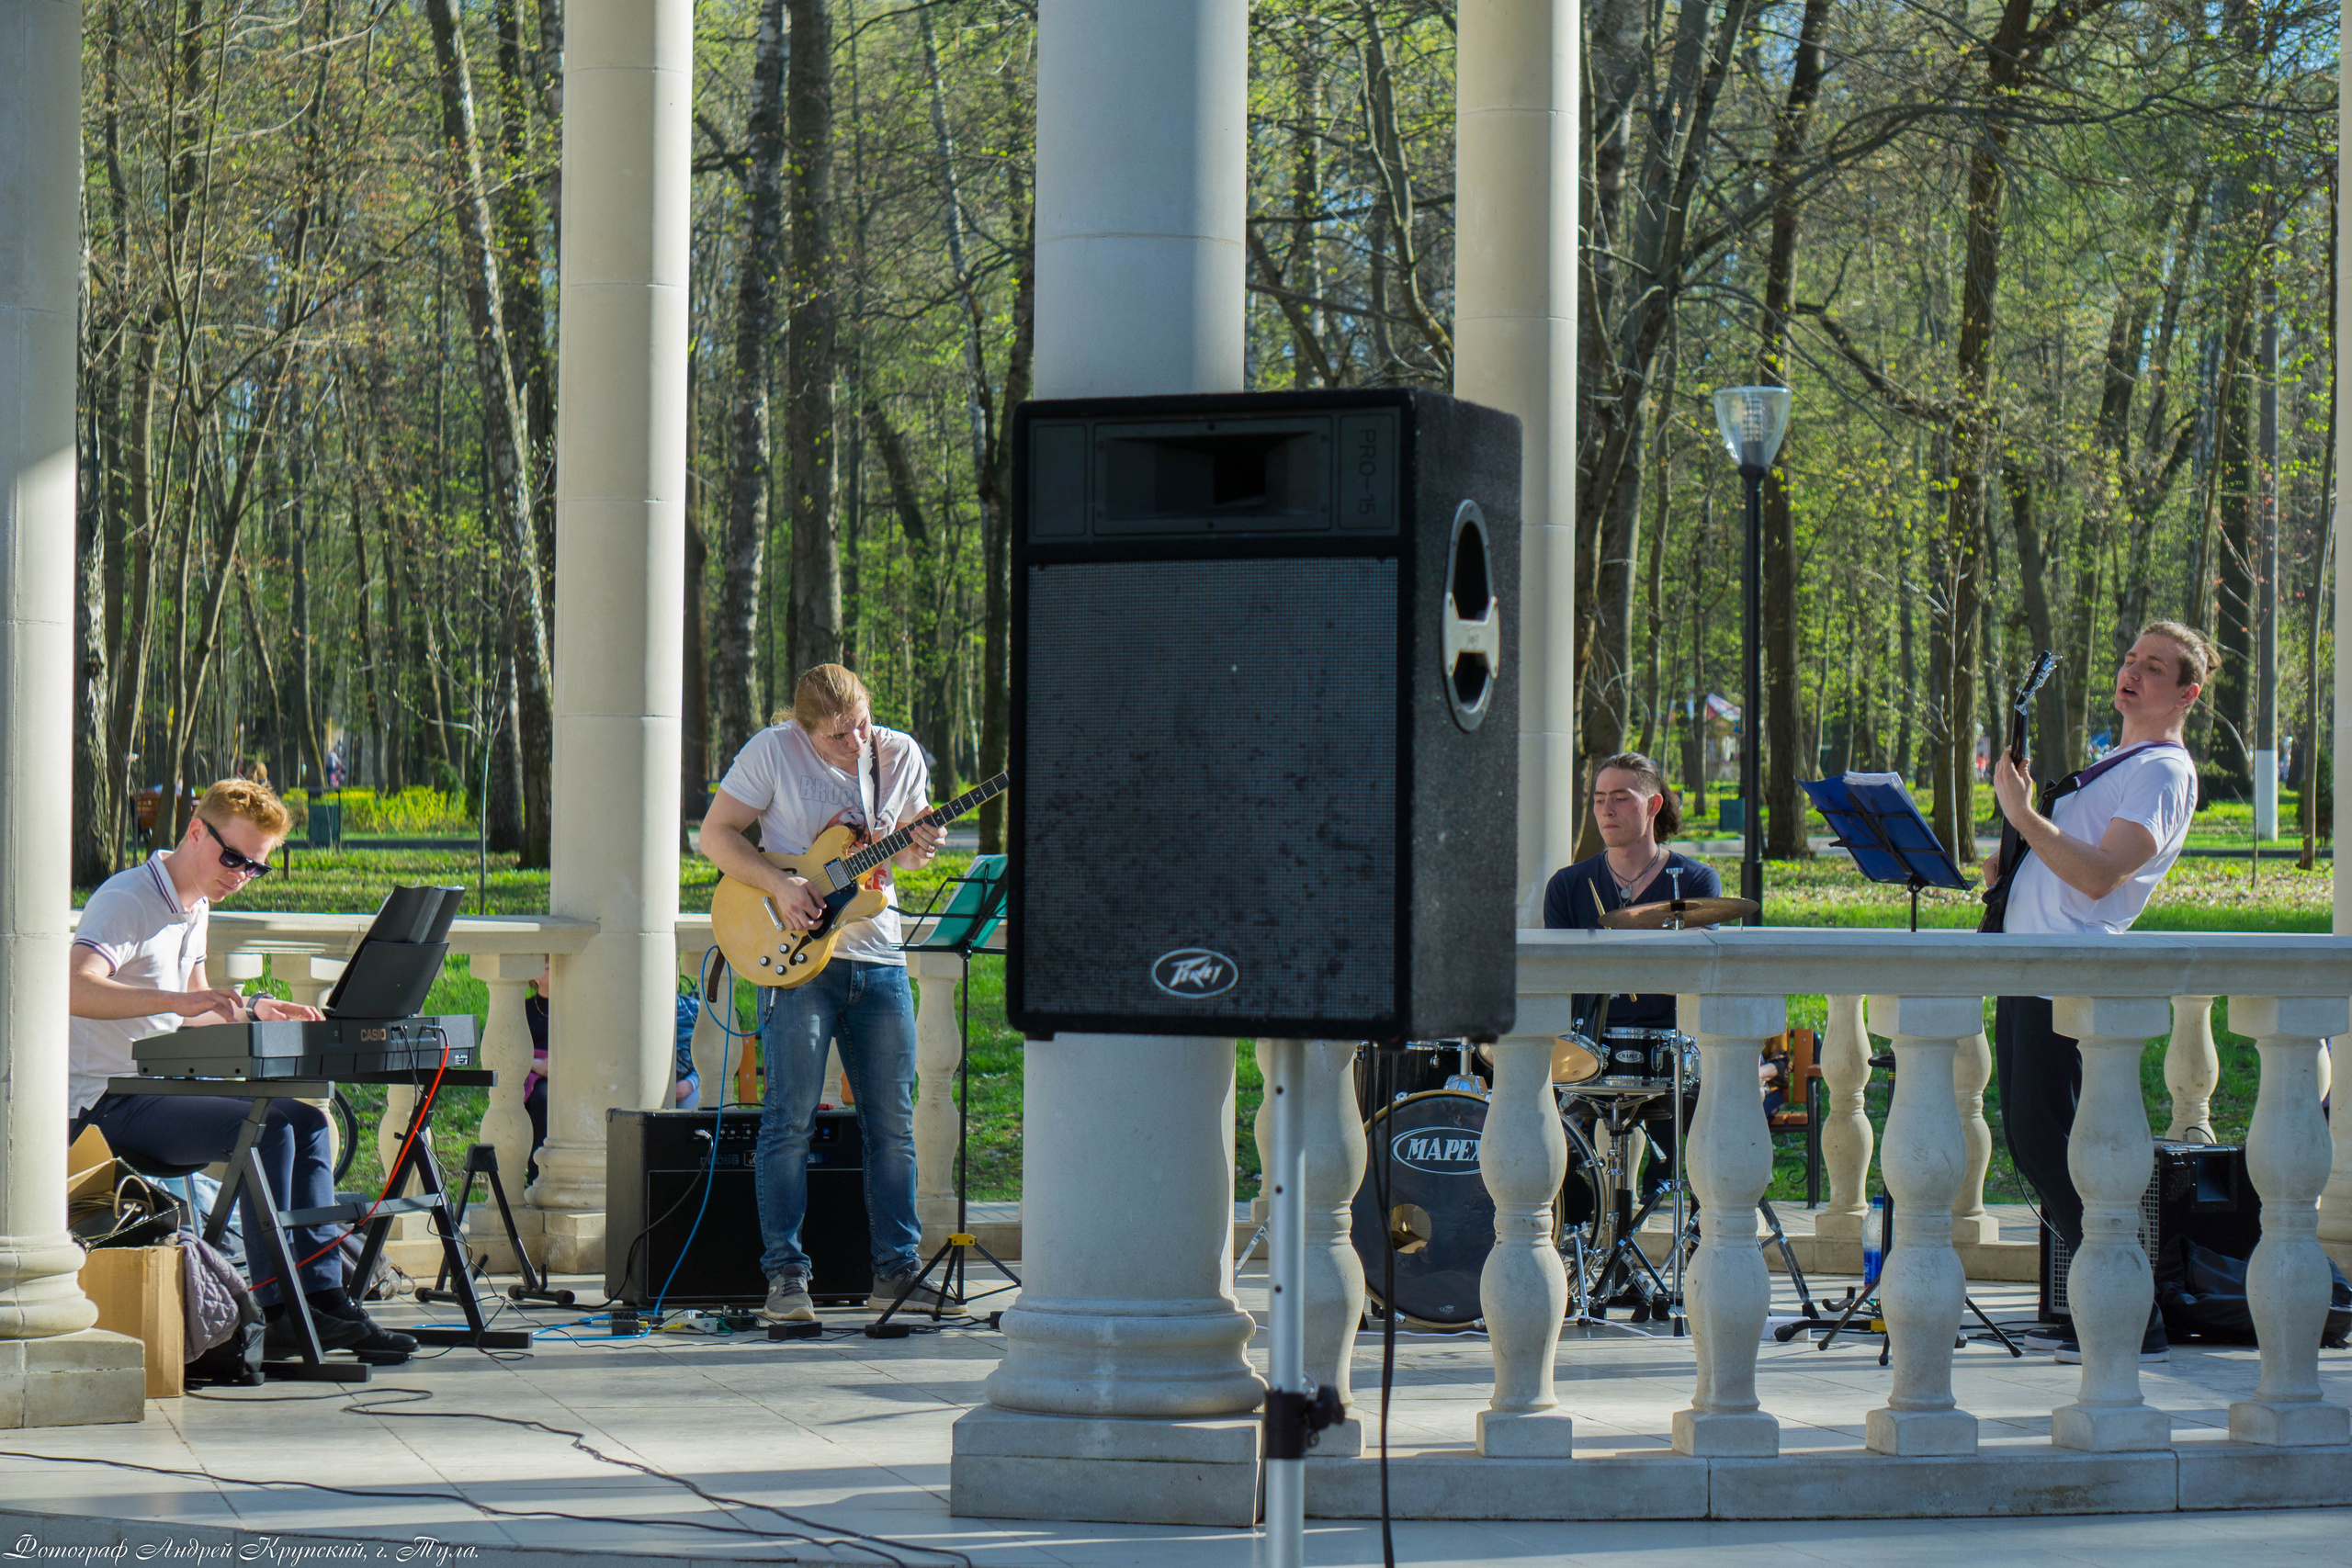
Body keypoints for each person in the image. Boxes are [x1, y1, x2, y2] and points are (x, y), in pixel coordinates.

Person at [69, 778, 416, 1364]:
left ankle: (321, 1297)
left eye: (255, 868)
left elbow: (196, 1001)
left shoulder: (196, 905)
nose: (240, 875)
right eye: (233, 858)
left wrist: (253, 1011)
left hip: (164, 1090)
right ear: (196, 831)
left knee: (305, 1122)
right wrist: (181, 1003)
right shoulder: (128, 898)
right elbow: (74, 988)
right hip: (109, 1103)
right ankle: (277, 1307)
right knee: (267, 1128)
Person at [1988, 620, 2215, 1367]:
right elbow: (2065, 864)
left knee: (2041, 1136)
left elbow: (2099, 874)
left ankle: (2131, 1309)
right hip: (2033, 967)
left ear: (2187, 692)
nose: (2133, 673)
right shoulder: (2120, 758)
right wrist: (2012, 862)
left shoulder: (2163, 773)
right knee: (2038, 1137)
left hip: (2072, 977)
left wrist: (2024, 815)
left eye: (2154, 667)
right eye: (2129, 659)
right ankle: (2097, 1301)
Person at [699, 665, 946, 1324]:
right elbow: (715, 834)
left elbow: (905, 862)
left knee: (894, 1125)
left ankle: (895, 1271)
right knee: (788, 1123)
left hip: (878, 955)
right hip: (796, 958)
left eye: (862, 723)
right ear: (803, 728)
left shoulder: (899, 756)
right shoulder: (771, 750)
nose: (856, 741)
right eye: (839, 735)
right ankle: (785, 1278)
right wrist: (781, 887)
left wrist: (921, 844)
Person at [1543, 752, 1723, 1231]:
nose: (1606, 810)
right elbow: (1560, 978)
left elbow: (1696, 974)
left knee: (1718, 1143)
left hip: (1670, 1049)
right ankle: (1590, 1245)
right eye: (1600, 799)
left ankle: (1705, 1244)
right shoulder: (1567, 886)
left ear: (1653, 805)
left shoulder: (1695, 882)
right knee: (1548, 1146)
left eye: (1621, 798)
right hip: (1588, 1051)